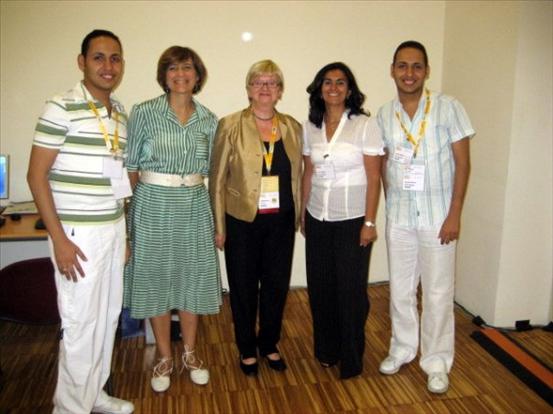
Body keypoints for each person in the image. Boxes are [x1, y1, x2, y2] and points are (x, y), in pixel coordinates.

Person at [27, 29, 134, 414]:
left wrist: (124, 235)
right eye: (99, 57)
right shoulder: (61, 106)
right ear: (82, 62)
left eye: (115, 58)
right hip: (78, 234)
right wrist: (59, 240)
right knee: (80, 324)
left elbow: (118, 183)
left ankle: (95, 395)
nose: (108, 66)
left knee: (107, 318)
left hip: (112, 228)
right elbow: (36, 176)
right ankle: (70, 408)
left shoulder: (119, 112)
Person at [377, 40, 474, 394]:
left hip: (438, 218)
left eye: (416, 66)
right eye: (402, 66)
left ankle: (436, 361)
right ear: (392, 70)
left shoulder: (448, 107)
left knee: (437, 293)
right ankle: (402, 348)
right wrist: (390, 206)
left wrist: (455, 214)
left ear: (427, 71)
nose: (409, 73)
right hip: (400, 218)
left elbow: (463, 164)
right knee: (400, 290)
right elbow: (384, 163)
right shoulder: (384, 114)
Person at [123, 46, 221, 391]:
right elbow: (130, 168)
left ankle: (190, 353)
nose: (181, 75)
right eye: (173, 68)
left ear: (198, 75)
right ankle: (164, 357)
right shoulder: (144, 112)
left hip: (193, 205)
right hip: (152, 205)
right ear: (164, 75)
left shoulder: (209, 119)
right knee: (156, 281)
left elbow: (214, 173)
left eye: (187, 68)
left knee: (192, 279)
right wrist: (130, 220)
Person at [209, 60, 302, 376]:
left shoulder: (292, 127)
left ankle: (269, 343)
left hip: (281, 221)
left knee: (276, 286)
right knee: (243, 287)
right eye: (258, 82)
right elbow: (217, 179)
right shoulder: (230, 124)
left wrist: (299, 215)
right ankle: (247, 348)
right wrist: (219, 226)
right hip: (241, 221)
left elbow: (298, 175)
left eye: (271, 82)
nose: (264, 88)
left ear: (280, 91)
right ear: (248, 89)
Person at [302, 62, 384, 379]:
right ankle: (327, 349)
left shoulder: (364, 125)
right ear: (319, 88)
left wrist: (370, 222)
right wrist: (303, 213)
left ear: (349, 90)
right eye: (327, 82)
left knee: (350, 292)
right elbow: (308, 172)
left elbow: (374, 177)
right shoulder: (311, 126)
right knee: (320, 287)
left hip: (353, 219)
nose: (333, 87)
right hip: (318, 216)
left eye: (340, 82)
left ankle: (351, 356)